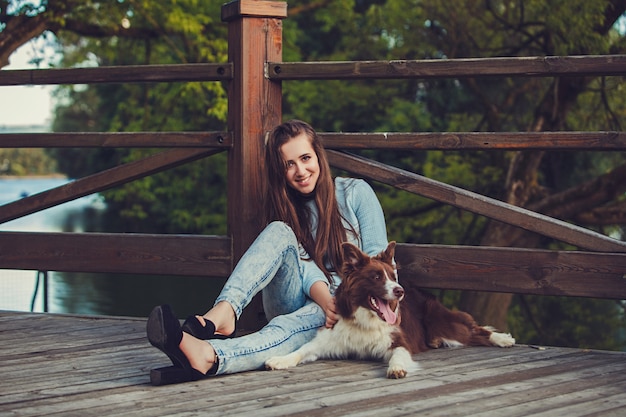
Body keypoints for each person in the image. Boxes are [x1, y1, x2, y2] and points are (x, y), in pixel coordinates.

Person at [146, 119, 390, 384]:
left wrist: (339, 301)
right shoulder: (286, 207)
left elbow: (380, 264)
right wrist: (323, 296)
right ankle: (225, 311)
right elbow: (302, 265)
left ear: (319, 155)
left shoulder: (356, 194)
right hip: (297, 297)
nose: (300, 171)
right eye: (289, 164)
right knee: (278, 231)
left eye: (305, 158)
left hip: (348, 306)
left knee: (286, 328)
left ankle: (209, 355)